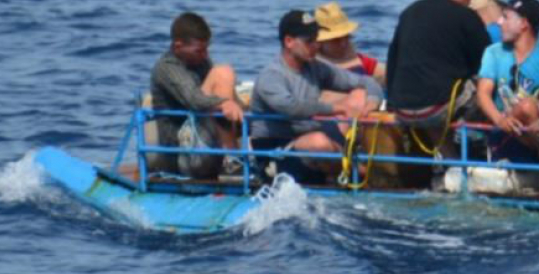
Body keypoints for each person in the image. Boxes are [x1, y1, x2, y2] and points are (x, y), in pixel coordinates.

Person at [250, 10, 383, 179]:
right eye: (309, 41)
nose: (316, 46)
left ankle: (352, 167)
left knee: (358, 94)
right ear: (289, 42)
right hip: (276, 151)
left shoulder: (316, 67)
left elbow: (367, 82)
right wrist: (337, 108)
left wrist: (371, 102)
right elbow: (292, 108)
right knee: (319, 142)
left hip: (310, 139)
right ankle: (356, 172)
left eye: (317, 40)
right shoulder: (271, 76)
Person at [386, 0, 492, 149]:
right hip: (437, 109)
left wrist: (392, 103)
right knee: (488, 89)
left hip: (402, 109)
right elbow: (487, 65)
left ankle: (447, 160)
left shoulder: (409, 12)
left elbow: (393, 61)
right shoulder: (466, 16)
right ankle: (491, 152)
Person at [149, 12, 245, 178]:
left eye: (207, 49)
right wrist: (224, 103)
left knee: (225, 78)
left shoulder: (201, 62)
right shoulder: (166, 68)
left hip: (205, 146)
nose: (205, 55)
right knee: (222, 73)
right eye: (199, 50)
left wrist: (238, 105)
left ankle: (238, 160)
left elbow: (218, 95)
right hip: (181, 155)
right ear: (178, 46)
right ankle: (232, 160)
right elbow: (194, 99)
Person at [475, 0, 539, 162]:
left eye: (506, 17)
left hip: (538, 130)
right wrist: (500, 120)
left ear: (524, 24)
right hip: (504, 133)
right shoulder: (494, 52)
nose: (499, 22)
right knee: (526, 107)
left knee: (528, 107)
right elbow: (483, 93)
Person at [314, 1, 387, 86]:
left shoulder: (362, 62)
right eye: (335, 40)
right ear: (319, 42)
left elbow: (391, 76)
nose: (343, 44)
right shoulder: (311, 69)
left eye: (346, 37)